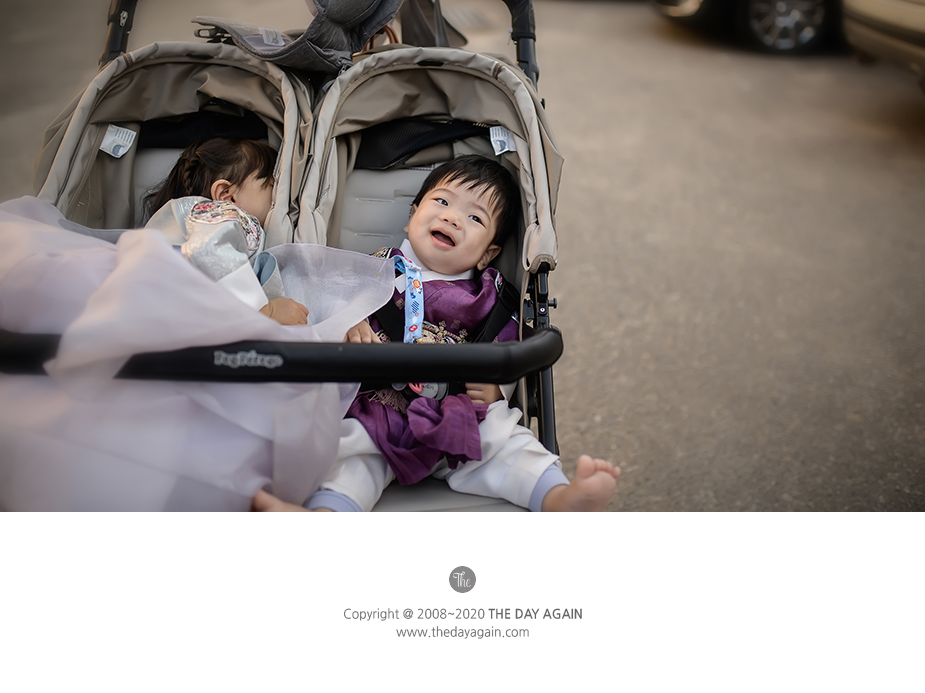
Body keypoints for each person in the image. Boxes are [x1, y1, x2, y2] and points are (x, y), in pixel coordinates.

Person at [253, 154, 620, 512]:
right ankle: (326, 514)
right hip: (377, 407)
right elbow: (325, 298)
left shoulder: (489, 294)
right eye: (442, 201)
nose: (452, 217)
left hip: (457, 411)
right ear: (412, 217)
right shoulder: (373, 267)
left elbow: (509, 343)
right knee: (351, 455)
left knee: (504, 439)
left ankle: (558, 497)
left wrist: (498, 387)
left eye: (475, 218)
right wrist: (347, 319)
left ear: (487, 254)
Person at [143, 137, 308, 325]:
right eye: (271, 187)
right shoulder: (224, 214)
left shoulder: (197, 221)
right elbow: (207, 249)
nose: (278, 200)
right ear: (226, 195)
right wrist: (266, 311)